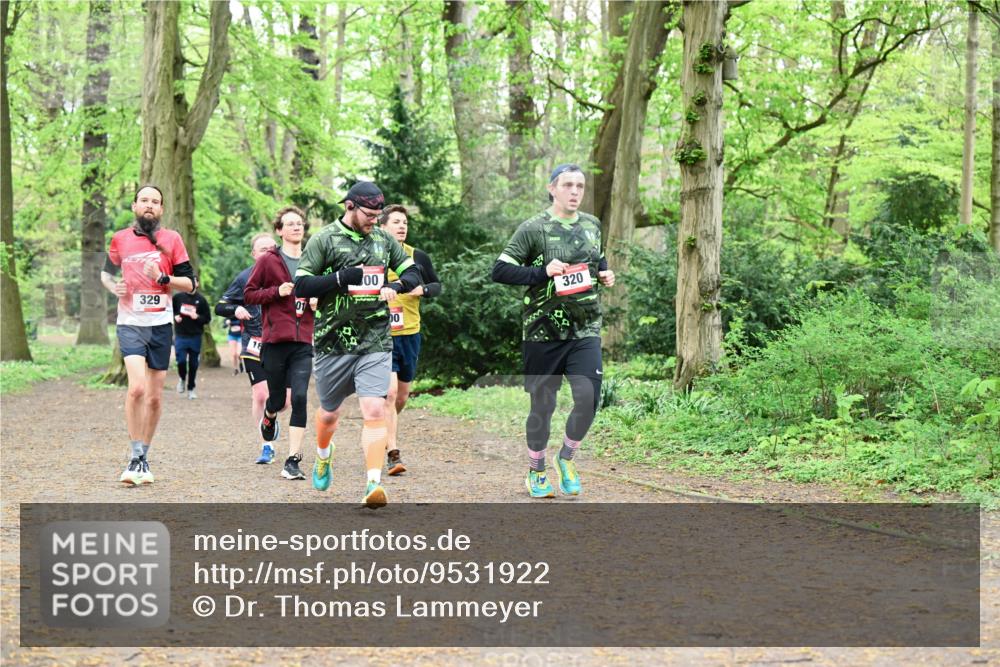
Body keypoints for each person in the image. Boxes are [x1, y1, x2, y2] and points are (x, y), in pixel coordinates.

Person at [294, 182, 422, 508]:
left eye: (379, 216)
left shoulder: (383, 239)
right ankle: (324, 455)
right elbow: (301, 285)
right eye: (369, 215)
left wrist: (395, 284)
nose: (374, 222)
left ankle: (373, 484)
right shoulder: (324, 239)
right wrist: (338, 279)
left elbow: (413, 273)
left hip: (375, 339)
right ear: (350, 206)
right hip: (332, 341)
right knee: (328, 416)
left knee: (375, 408)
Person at [491, 164, 615, 498]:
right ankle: (536, 470)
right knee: (542, 406)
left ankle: (567, 457)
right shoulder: (534, 228)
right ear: (552, 189)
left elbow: (597, 260)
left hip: (585, 328)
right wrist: (542, 272)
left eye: (580, 186)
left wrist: (604, 274)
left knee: (589, 397)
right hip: (542, 332)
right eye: (568, 185)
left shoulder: (592, 225)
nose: (575, 192)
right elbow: (500, 271)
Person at [101, 184, 196, 485]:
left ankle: (144, 455)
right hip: (129, 323)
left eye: (155, 201)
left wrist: (165, 278)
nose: (149, 205)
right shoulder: (120, 239)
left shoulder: (172, 239)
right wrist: (112, 286)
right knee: (137, 388)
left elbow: (191, 284)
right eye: (144, 200)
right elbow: (106, 272)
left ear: (162, 209)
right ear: (134, 206)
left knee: (154, 398)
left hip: (160, 325)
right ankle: (133, 454)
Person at [244, 207, 316, 481]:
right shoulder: (268, 261)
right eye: (291, 224)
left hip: (303, 342)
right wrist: (276, 292)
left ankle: (293, 459)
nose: (297, 227)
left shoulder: (313, 259)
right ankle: (269, 414)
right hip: (274, 342)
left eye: (300, 223)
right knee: (277, 400)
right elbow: (249, 294)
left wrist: (317, 300)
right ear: (280, 230)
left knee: (299, 397)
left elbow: (323, 290)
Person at [378, 205, 442, 475]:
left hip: (410, 333)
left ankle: (383, 426)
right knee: (389, 394)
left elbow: (437, 286)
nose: (402, 226)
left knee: (401, 397)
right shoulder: (374, 257)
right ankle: (393, 452)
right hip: (381, 335)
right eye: (396, 222)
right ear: (383, 227)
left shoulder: (417, 256)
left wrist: (423, 289)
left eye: (405, 222)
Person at [216, 232, 279, 464]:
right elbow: (220, 306)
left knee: (285, 400)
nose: (268, 253)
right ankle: (266, 445)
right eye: (262, 249)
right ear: (253, 254)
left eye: (272, 248)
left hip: (281, 343)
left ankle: (271, 418)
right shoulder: (244, 278)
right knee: (261, 394)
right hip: (253, 342)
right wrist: (235, 310)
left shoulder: (287, 275)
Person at [172, 288, 211, 399]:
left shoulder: (201, 300)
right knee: (181, 361)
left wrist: (197, 317)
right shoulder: (178, 297)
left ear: (196, 284)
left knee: (193, 364)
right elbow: (169, 310)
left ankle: (191, 389)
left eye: (192, 281)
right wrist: (175, 317)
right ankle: (182, 378)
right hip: (180, 335)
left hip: (195, 336)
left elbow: (207, 318)